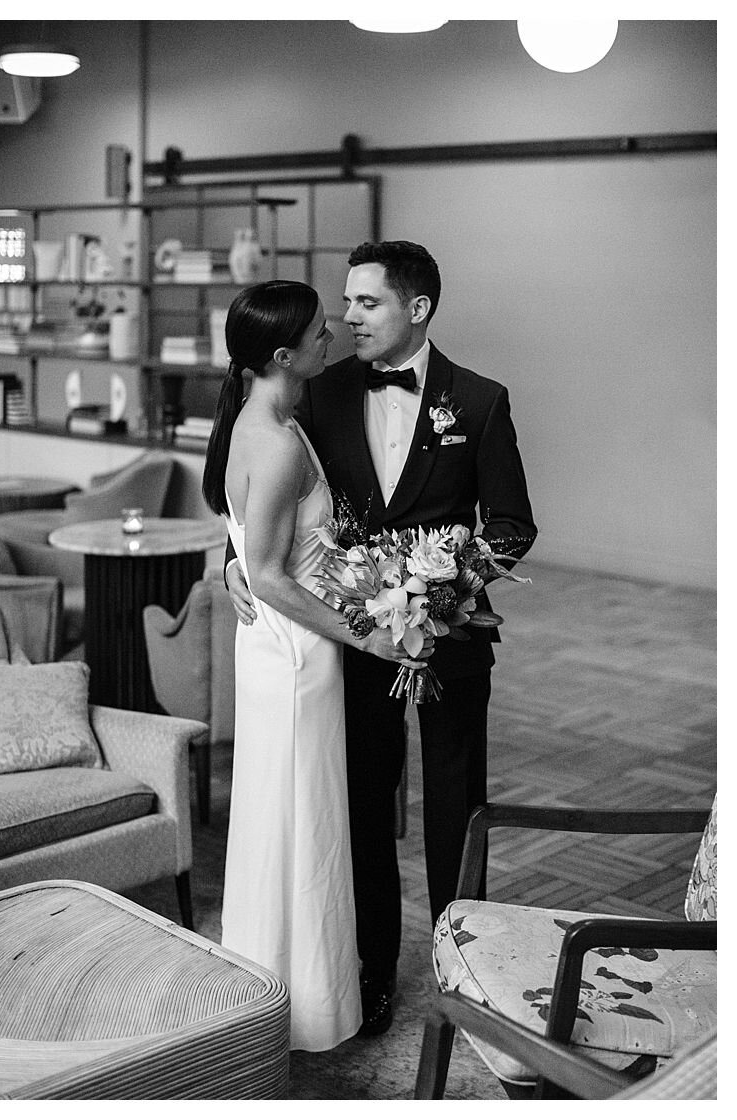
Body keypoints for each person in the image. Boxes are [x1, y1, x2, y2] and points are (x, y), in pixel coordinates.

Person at [226, 242, 536, 1036]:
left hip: (449, 642)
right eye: (346, 304)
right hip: (352, 645)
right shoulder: (316, 395)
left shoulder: (480, 401)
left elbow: (510, 523)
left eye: (367, 303)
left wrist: (448, 589)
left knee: (456, 805)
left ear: (418, 309)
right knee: (361, 804)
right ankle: (369, 970)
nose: (349, 316)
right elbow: (265, 494)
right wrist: (234, 559)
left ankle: (463, 964)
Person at [204, 280, 429, 1051]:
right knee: (301, 827)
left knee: (294, 824)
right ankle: (298, 1002)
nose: (331, 334)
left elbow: (260, 552)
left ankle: (283, 984)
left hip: (288, 654)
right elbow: (267, 574)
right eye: (318, 329)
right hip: (298, 659)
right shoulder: (270, 440)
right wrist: (363, 634)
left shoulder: (267, 420)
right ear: (281, 353)